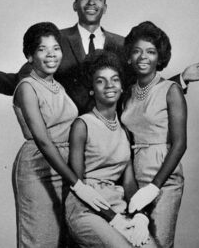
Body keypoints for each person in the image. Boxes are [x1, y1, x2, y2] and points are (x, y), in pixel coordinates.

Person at [0, 0, 199, 114]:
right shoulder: (56, 42)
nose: (91, 3)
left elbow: (143, 86)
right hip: (67, 137)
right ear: (75, 5)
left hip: (113, 136)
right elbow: (24, 80)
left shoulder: (122, 44)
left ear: (105, 7)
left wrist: (181, 79)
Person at [7, 22, 110, 248]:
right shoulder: (27, 87)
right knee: (41, 240)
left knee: (68, 240)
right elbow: (43, 140)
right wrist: (78, 184)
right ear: (30, 56)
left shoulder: (57, 85)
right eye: (42, 49)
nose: (51, 55)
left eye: (56, 48)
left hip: (66, 166)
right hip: (39, 166)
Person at [65, 50, 158, 248]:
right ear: (91, 89)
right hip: (86, 209)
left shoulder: (124, 130)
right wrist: (114, 219)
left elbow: (129, 182)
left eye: (115, 79)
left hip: (118, 207)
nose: (109, 86)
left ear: (122, 87)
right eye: (101, 81)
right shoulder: (82, 125)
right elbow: (78, 182)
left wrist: (140, 215)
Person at [121, 21, 187, 248]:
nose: (143, 57)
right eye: (137, 51)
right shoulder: (127, 93)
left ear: (159, 58)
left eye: (150, 52)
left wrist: (154, 186)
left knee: (158, 244)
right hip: (134, 178)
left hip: (164, 179)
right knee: (135, 244)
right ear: (129, 57)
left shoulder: (171, 90)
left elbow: (180, 144)